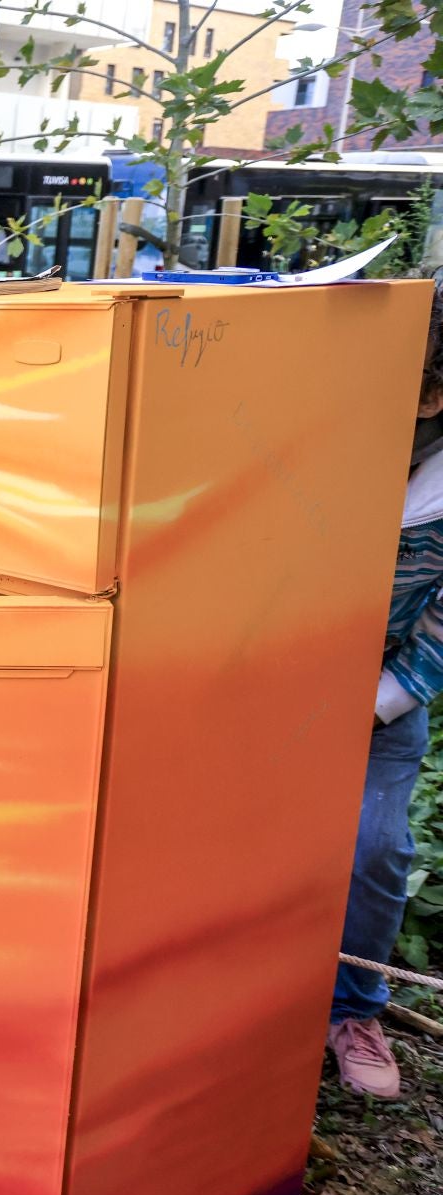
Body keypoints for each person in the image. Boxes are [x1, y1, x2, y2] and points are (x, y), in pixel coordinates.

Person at [328, 279, 443, 1099]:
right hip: (261, 684)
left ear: (433, 394)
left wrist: (376, 702)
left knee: (375, 847)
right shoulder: (329, 434)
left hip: (380, 697)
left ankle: (354, 1006)